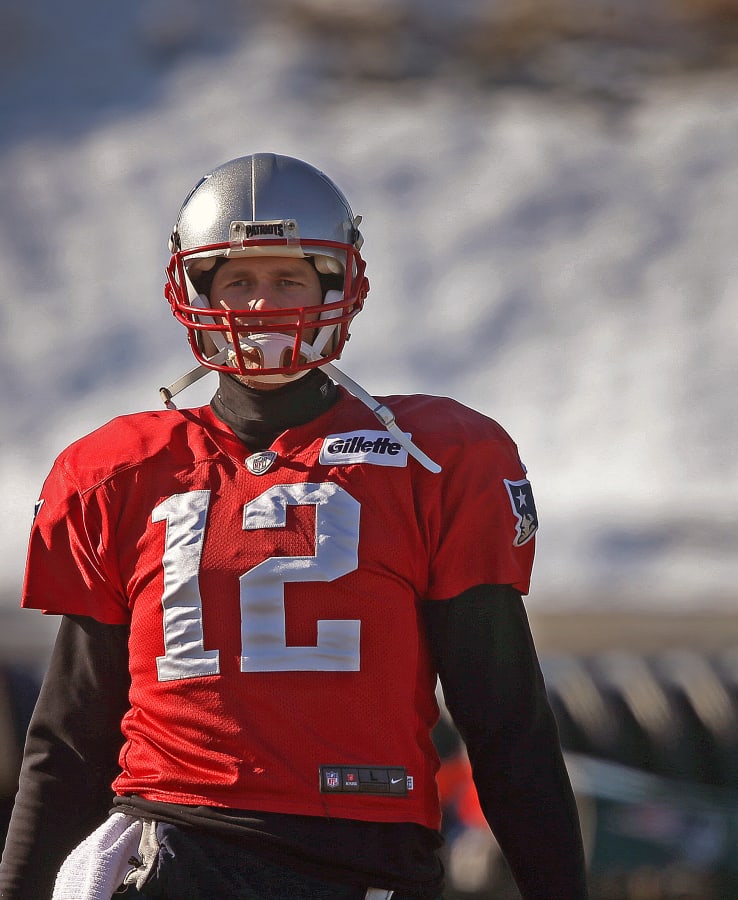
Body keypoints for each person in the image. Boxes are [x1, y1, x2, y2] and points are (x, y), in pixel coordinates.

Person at [0, 153, 588, 899]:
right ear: (195, 290)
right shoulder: (120, 471)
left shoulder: (434, 460)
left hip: (364, 858)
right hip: (174, 849)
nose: (260, 305)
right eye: (238, 281)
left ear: (338, 288)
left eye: (288, 280)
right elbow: (69, 740)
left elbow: (505, 723)